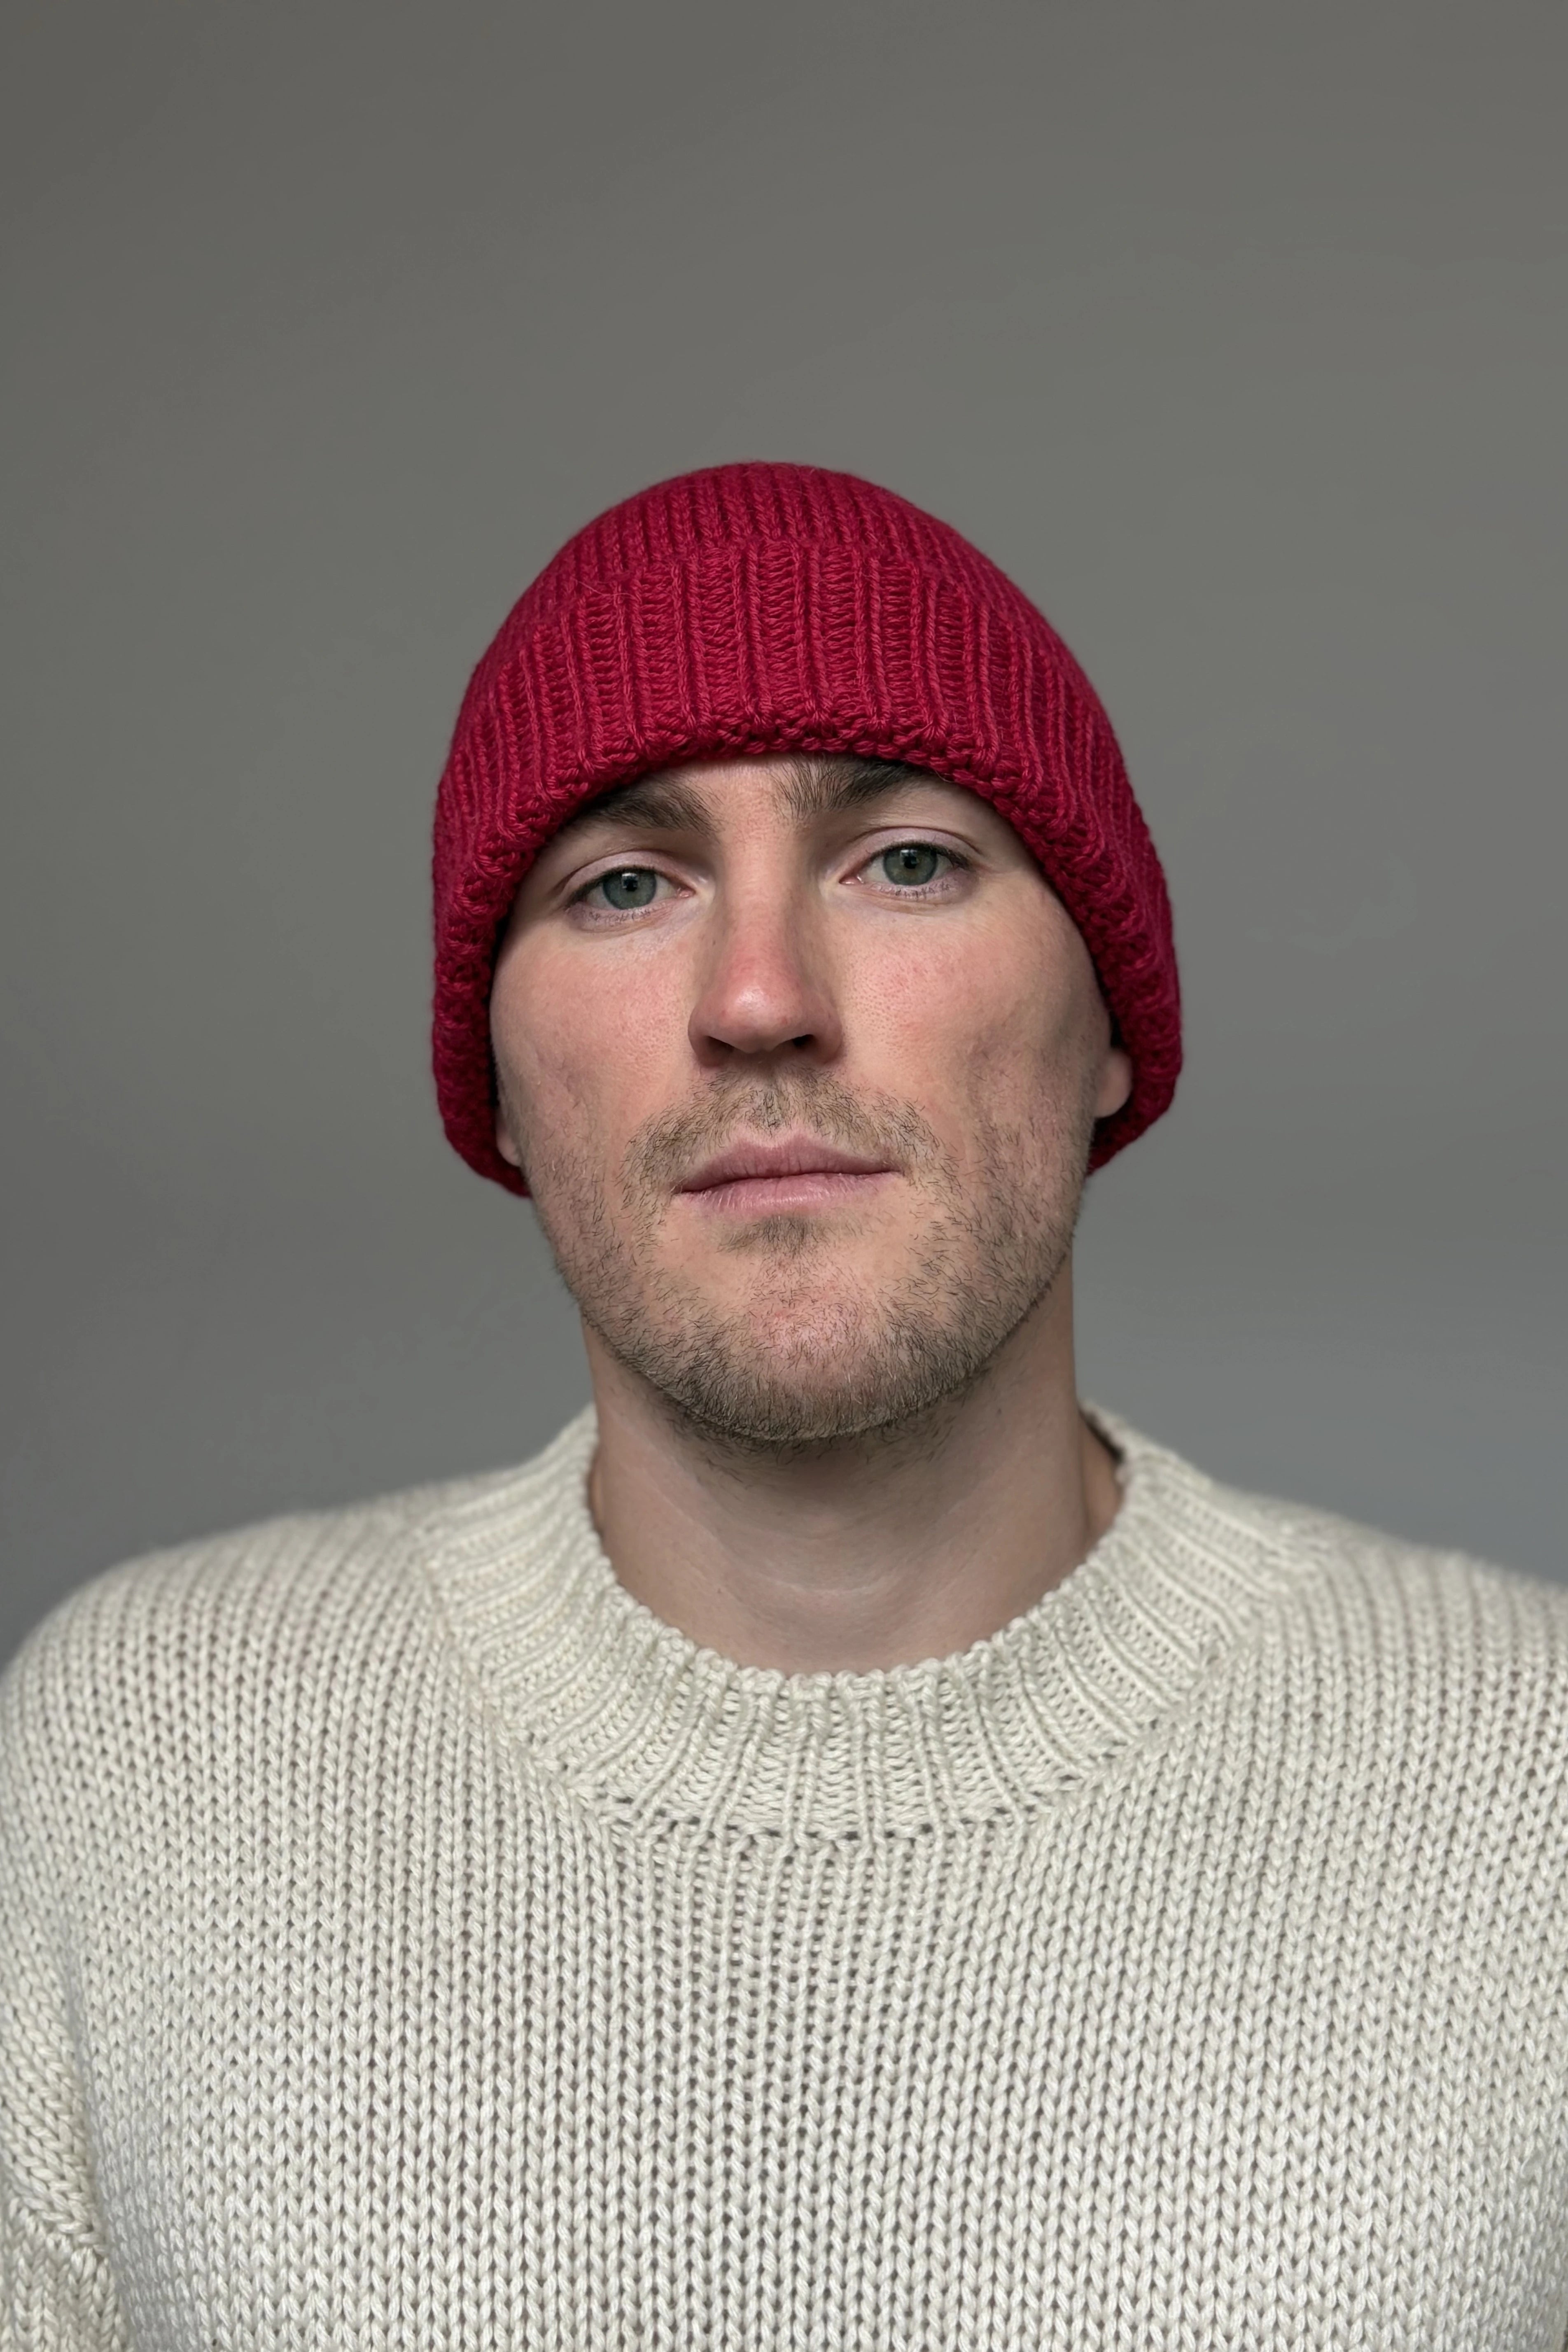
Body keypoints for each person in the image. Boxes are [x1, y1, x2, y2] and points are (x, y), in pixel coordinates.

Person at [2, 462, 1563, 2350]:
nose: (757, 997)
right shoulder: (133, 1758)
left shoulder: (1524, 1780)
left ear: (1116, 1027)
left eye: (904, 859)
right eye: (625, 884)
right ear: (494, 1087)